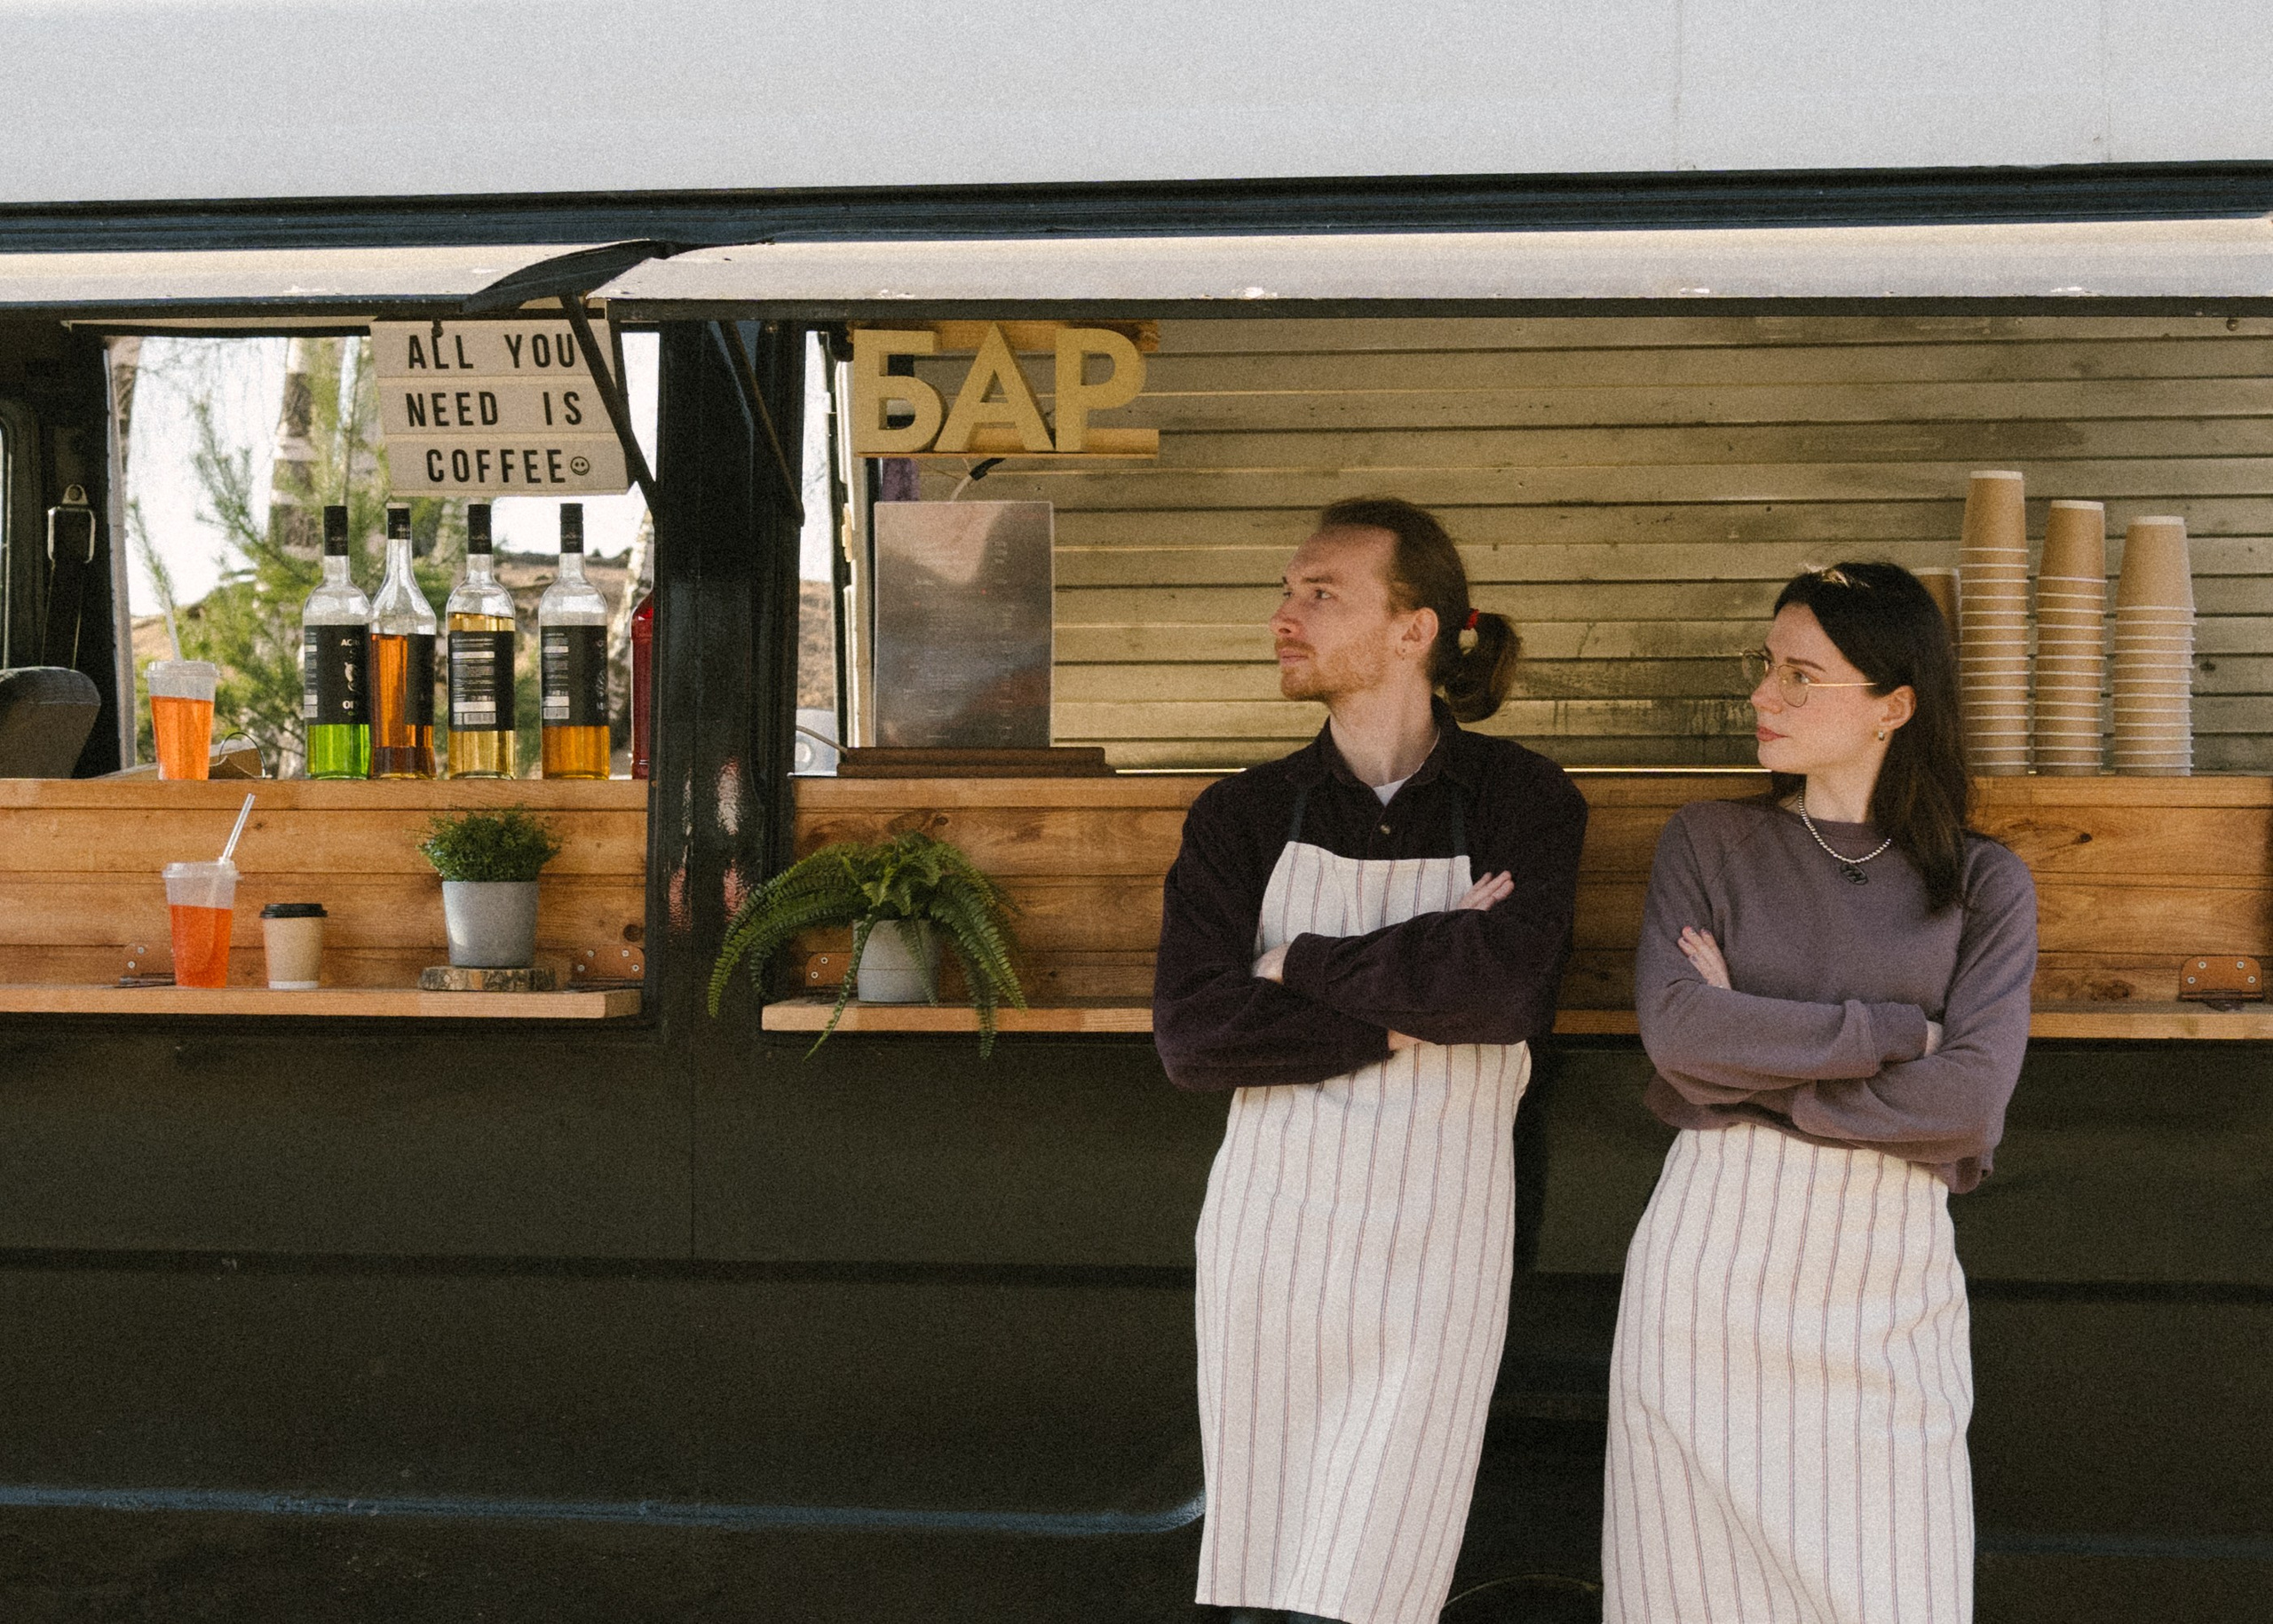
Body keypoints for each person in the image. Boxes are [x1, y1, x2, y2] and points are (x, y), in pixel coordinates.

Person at [1153, 496, 1588, 1624]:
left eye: (1319, 592)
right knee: (1261, 1570)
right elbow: (1196, 1036)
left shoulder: (1521, 799)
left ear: (1416, 629)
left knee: (1379, 1581)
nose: (1282, 615)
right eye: (1288, 590)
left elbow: (1501, 991)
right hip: (1272, 1238)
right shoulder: (1241, 815)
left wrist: (1293, 961)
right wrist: (1409, 1003)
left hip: (1440, 1239)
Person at [1604, 562, 2038, 1624]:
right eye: (1767, 668)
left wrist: (1757, 1072)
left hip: (1887, 1288)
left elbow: (1969, 1104)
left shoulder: (1983, 881)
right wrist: (1891, 1034)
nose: (1763, 696)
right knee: (1684, 1597)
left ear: (1893, 705)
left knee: (1901, 1589)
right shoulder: (1708, 841)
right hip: (1706, 1274)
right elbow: (1680, 1034)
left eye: (1801, 676)